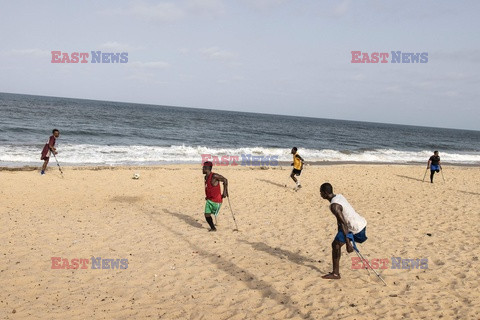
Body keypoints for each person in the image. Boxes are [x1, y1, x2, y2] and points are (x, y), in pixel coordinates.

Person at [320, 182, 367, 280]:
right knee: (336, 243)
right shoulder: (339, 196)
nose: (320, 194)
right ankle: (335, 273)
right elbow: (340, 221)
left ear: (325, 193)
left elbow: (343, 223)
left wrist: (348, 242)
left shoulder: (334, 206)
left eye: (321, 192)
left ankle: (336, 274)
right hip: (361, 223)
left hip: (356, 229)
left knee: (336, 245)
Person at [203, 161, 228, 232]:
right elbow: (208, 187)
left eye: (203, 168)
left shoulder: (214, 176)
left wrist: (225, 192)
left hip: (216, 200)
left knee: (213, 213)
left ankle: (215, 225)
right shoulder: (205, 177)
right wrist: (207, 196)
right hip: (209, 200)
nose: (202, 169)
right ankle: (213, 228)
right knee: (206, 215)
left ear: (206, 168)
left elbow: (225, 180)